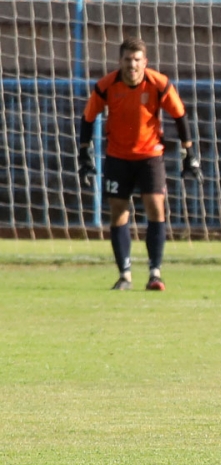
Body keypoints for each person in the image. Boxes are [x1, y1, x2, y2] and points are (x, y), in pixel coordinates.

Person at [78, 36, 202, 291]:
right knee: (118, 211)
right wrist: (84, 153)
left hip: (150, 155)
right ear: (120, 61)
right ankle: (125, 275)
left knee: (156, 208)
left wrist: (190, 153)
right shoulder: (106, 85)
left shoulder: (159, 84)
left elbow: (180, 116)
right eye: (127, 60)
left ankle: (155, 273)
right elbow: (88, 118)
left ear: (145, 62)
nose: (131, 65)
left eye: (136, 60)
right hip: (118, 156)